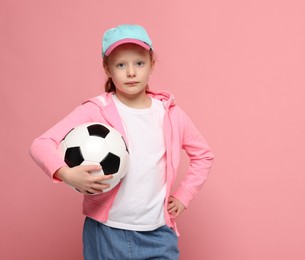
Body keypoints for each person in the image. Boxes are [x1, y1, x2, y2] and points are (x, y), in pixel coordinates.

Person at [29, 24, 214, 260]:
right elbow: (41, 144)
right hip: (107, 232)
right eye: (120, 65)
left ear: (152, 64)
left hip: (159, 233)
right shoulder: (97, 110)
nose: (131, 72)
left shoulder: (169, 113)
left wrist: (184, 194)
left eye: (139, 63)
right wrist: (66, 173)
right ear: (107, 68)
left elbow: (204, 155)